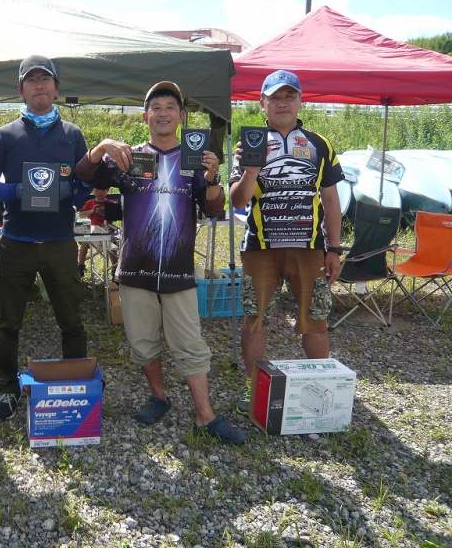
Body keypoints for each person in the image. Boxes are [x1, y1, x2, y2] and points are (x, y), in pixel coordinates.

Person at [76, 81, 247, 444]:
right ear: (146, 116)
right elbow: (85, 176)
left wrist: (213, 179)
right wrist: (102, 147)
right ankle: (159, 396)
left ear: (182, 116)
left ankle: (205, 415)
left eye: (171, 106)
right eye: (156, 107)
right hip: (135, 267)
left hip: (178, 269)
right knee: (142, 342)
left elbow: (214, 208)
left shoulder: (194, 157)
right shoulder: (128, 156)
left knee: (191, 345)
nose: (163, 112)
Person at [0, 55, 90, 421]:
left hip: (60, 243)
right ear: (21, 90)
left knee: (71, 320)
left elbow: (80, 191)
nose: (39, 85)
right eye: (32, 80)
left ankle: (75, 385)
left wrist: (77, 191)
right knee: (9, 322)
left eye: (46, 79)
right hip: (16, 243)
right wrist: (20, 192)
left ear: (57, 88)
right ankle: (7, 388)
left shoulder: (73, 135)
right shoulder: (6, 135)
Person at [228, 70, 343, 416]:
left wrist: (334, 248)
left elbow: (331, 199)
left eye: (288, 96)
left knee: (316, 318)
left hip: (309, 249)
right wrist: (250, 170)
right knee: (255, 319)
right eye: (274, 98)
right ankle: (255, 393)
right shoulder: (248, 141)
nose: (282, 103)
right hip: (260, 248)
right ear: (262, 104)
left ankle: (323, 391)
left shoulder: (319, 143)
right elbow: (236, 201)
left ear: (299, 101)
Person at [77, 187, 118, 276]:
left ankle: (115, 269)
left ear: (107, 191)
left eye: (102, 190)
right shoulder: (90, 203)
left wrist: (105, 213)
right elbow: (81, 214)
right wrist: (92, 211)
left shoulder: (110, 203)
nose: (100, 192)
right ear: (93, 191)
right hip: (93, 233)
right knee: (84, 243)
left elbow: (116, 217)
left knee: (112, 247)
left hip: (107, 232)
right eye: (97, 190)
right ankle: (81, 265)